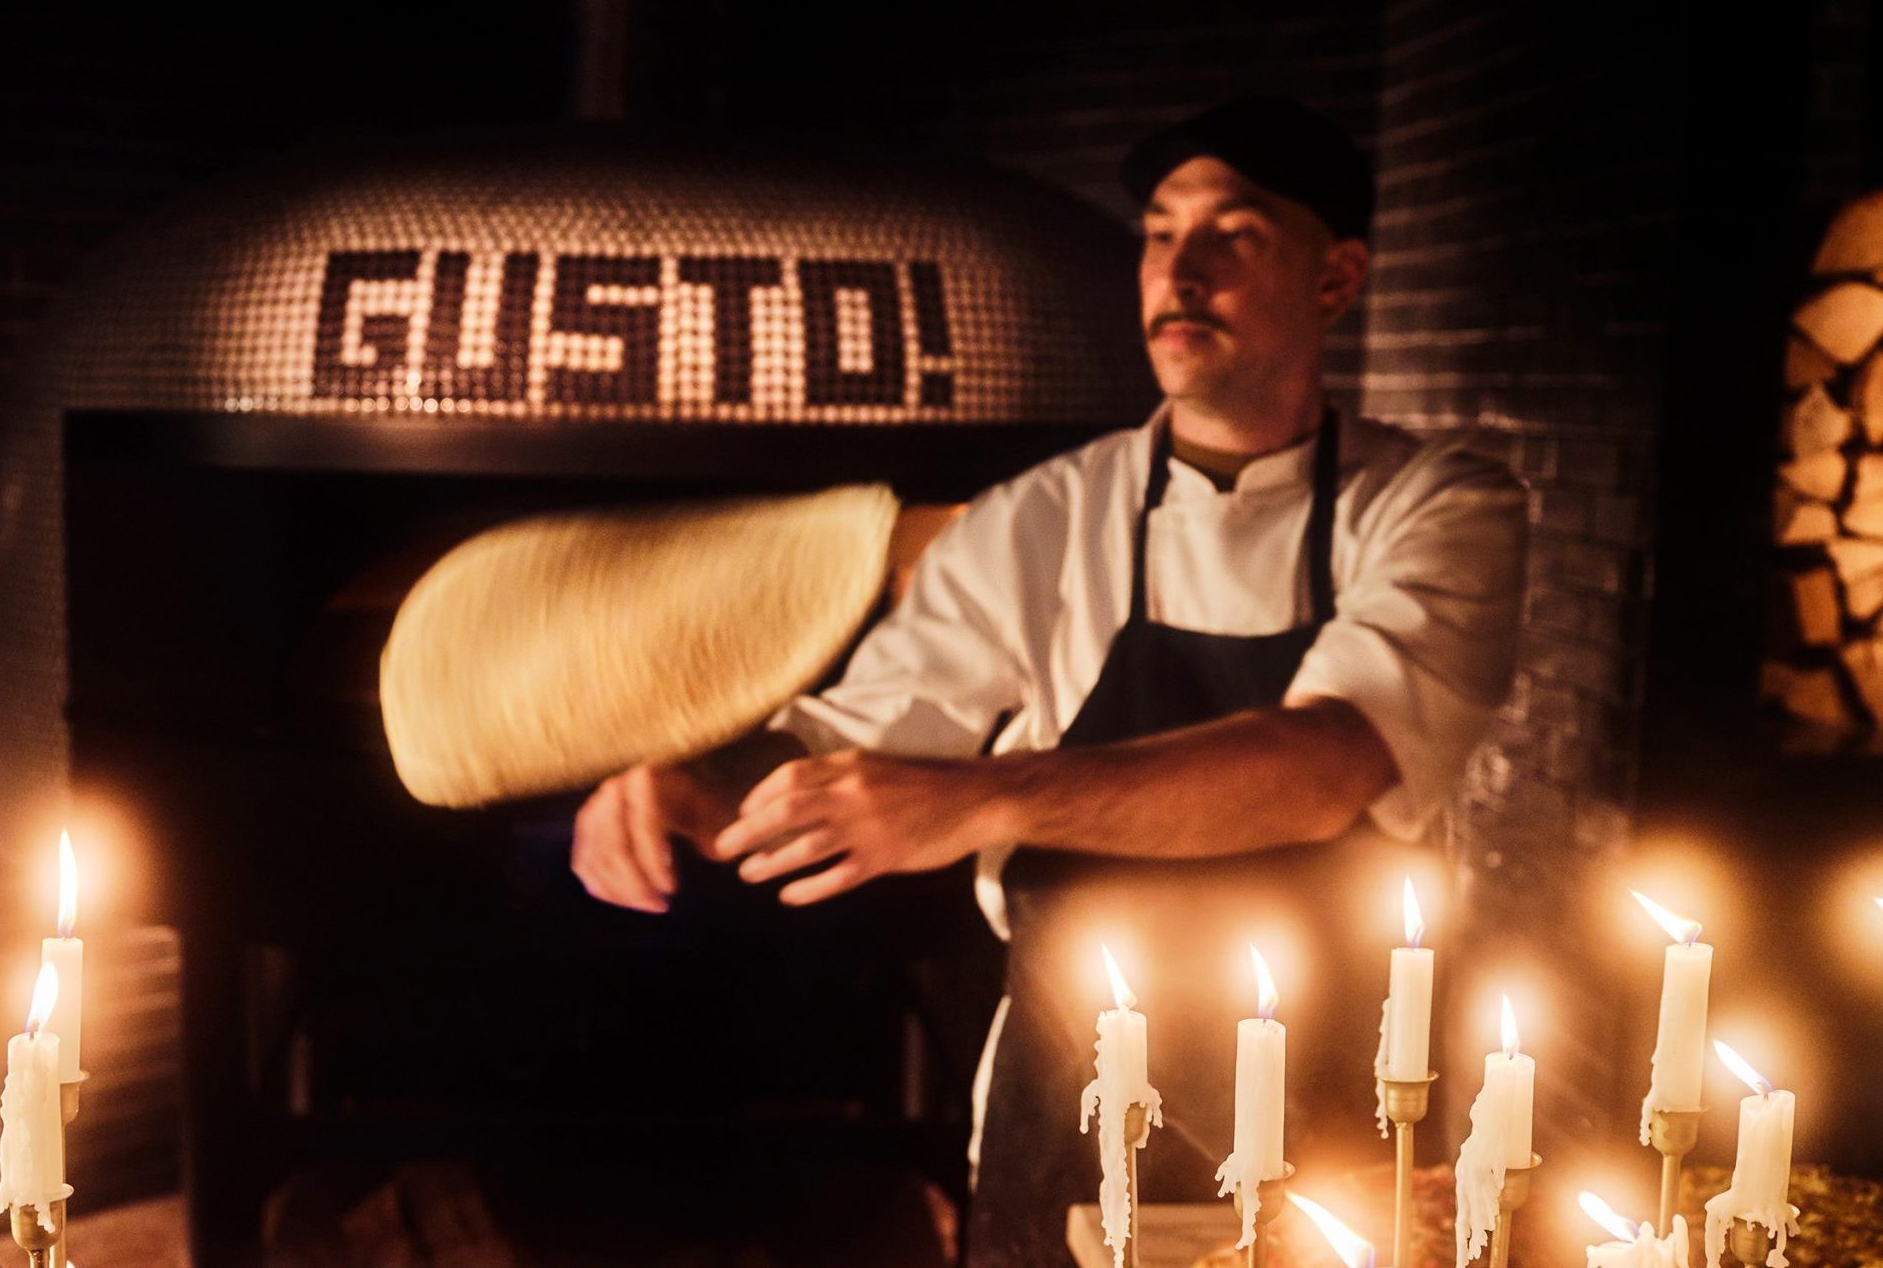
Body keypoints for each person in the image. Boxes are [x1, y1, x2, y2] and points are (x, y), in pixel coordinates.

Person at [568, 96, 1528, 1268]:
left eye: (1235, 234)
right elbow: (850, 732)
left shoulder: (1436, 503)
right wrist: (696, 786)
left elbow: (1326, 762)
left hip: (1345, 1111)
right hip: (1065, 1095)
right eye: (1160, 233)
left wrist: (987, 795)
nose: (1180, 269)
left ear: (1337, 278)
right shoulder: (1043, 516)